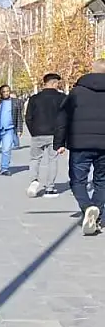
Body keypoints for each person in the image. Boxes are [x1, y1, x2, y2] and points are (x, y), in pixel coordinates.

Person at [54, 60, 105, 236]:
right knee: (102, 181)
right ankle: (97, 215)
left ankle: (87, 206)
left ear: (92, 71)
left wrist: (59, 143)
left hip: (79, 144)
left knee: (78, 180)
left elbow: (62, 119)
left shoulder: (76, 92)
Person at [24, 73, 67, 198]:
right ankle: (49, 188)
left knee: (35, 159)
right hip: (55, 135)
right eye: (58, 83)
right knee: (52, 160)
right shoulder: (62, 98)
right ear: (54, 83)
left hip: (37, 133)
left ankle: (34, 180)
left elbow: (28, 117)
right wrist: (63, 137)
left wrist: (34, 131)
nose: (59, 85)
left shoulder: (34, 98)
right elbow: (65, 118)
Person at [0, 85, 24, 175]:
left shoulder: (16, 102)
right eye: (4, 91)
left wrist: (19, 129)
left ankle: (4, 168)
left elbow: (19, 116)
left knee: (6, 149)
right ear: (0, 93)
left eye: (8, 91)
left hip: (9, 130)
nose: (6, 93)